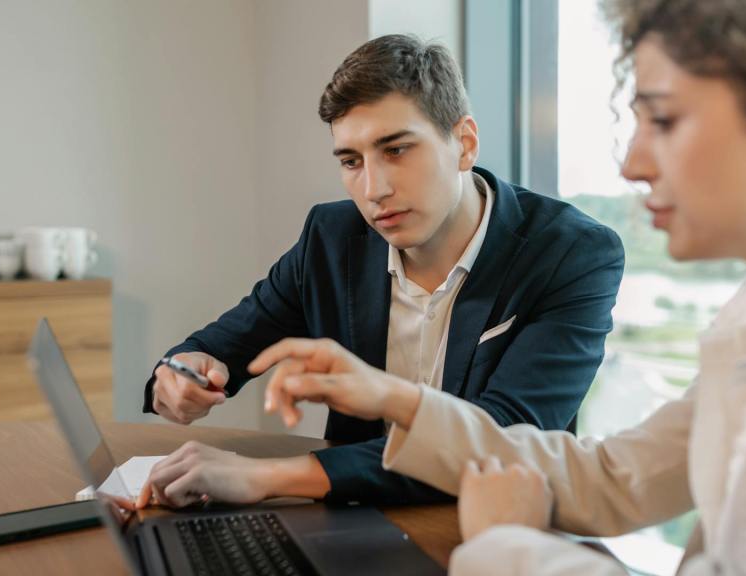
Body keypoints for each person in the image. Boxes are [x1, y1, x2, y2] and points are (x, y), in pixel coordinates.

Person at [247, 1, 746, 574]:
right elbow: (616, 476)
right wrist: (394, 396)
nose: (632, 164)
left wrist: (505, 545)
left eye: (664, 120)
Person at [139, 34, 625, 506]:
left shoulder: (573, 254)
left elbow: (506, 437)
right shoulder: (331, 239)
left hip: (502, 528)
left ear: (464, 144)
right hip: (355, 523)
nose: (374, 190)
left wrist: (269, 476)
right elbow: (220, 346)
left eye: (396, 150)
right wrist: (182, 373)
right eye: (352, 161)